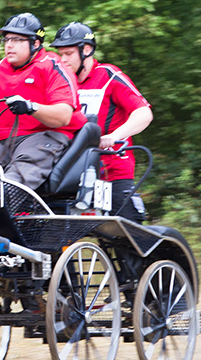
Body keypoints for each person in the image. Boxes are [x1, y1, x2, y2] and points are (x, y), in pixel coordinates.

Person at [0, 12, 87, 189]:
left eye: (17, 40)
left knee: (10, 188)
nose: (9, 45)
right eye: (6, 40)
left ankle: (0, 209)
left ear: (35, 43)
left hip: (43, 136)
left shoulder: (53, 66)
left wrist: (31, 107)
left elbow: (63, 117)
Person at [51, 22, 153, 222]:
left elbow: (143, 114)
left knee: (130, 238)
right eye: (59, 54)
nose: (62, 60)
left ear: (86, 50)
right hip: (70, 174)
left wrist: (113, 137)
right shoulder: (58, 82)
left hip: (111, 173)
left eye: (68, 54)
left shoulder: (108, 76)